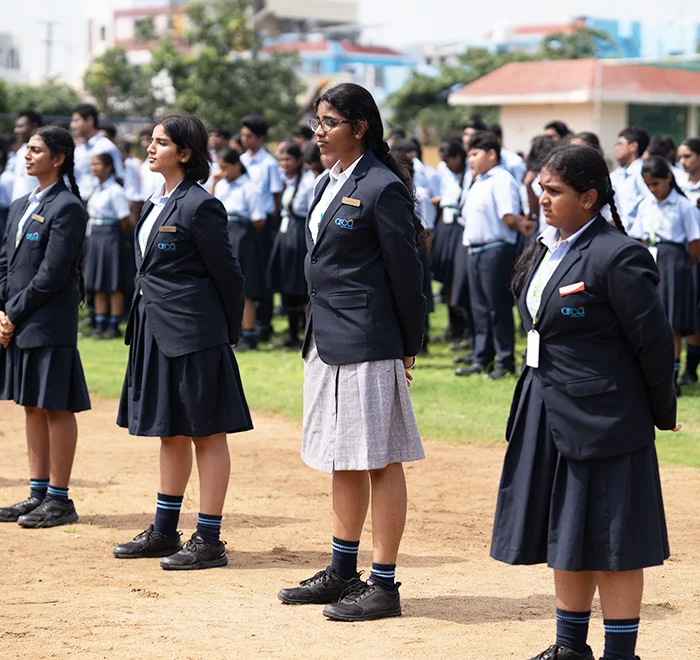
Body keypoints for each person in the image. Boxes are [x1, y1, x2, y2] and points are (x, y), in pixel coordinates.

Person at [491, 144, 678, 660]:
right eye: (540, 188)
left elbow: (654, 343)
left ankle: (620, 654)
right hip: (545, 409)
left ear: (589, 197)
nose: (542, 198)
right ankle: (570, 648)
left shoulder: (618, 254)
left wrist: (659, 413)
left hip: (605, 420)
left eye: (554, 191)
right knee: (566, 532)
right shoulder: (544, 246)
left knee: (614, 544)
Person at [277, 83, 426, 622]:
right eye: (316, 121)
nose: (318, 131)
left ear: (359, 128)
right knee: (342, 455)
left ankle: (383, 584)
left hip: (369, 339)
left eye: (329, 122)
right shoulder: (328, 181)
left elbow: (407, 275)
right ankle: (343, 572)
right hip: (326, 338)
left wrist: (408, 346)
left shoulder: (382, 187)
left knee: (380, 459)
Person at [114, 114, 252, 570]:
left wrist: (228, 333)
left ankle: (209, 539)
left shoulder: (200, 205)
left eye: (161, 142)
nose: (150, 148)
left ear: (185, 153)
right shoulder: (154, 202)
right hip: (154, 331)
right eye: (150, 141)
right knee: (168, 430)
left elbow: (229, 276)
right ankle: (164, 530)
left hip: (196, 334)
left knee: (207, 433)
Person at [0, 126, 90, 528]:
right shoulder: (21, 204)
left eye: (36, 150)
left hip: (49, 321)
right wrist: (3, 310)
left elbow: (52, 273)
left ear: (58, 158)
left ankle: (59, 498)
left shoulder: (68, 207)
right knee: (31, 404)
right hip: (20, 319)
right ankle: (38, 493)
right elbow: (6, 264)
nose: (27, 155)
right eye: (27, 148)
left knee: (55, 405)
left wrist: (13, 312)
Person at [455, 131, 535, 379]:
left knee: (497, 308)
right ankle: (482, 358)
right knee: (479, 308)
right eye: (468, 155)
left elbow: (508, 216)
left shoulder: (501, 179)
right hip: (475, 250)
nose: (470, 159)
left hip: (495, 249)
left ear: (491, 154)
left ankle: (505, 360)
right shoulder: (478, 181)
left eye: (475, 154)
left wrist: (521, 224)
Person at [630, 156, 700, 395]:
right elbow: (641, 237)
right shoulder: (646, 205)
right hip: (651, 258)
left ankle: (673, 376)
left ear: (668, 178)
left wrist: (683, 266)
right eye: (648, 185)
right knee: (649, 318)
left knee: (671, 322)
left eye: (656, 184)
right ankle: (651, 373)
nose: (653, 189)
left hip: (674, 263)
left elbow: (694, 242)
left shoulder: (682, 205)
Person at [210, 147, 266, 351]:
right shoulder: (220, 185)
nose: (223, 172)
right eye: (220, 168)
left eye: (226, 168)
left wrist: (242, 230)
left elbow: (259, 219)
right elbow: (209, 207)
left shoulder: (249, 188)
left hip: (242, 235)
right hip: (223, 234)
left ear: (237, 165)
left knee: (245, 285)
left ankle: (248, 333)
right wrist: (214, 182)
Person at [267, 142, 316, 349]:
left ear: (298, 160)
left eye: (288, 159)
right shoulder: (287, 181)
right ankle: (291, 333)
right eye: (282, 159)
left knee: (299, 284)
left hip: (299, 232)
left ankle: (307, 333)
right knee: (286, 282)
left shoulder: (308, 182)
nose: (284, 164)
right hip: (286, 232)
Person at [240, 115, 283, 342]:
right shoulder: (240, 160)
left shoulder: (268, 164)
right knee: (245, 272)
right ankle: (244, 322)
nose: (244, 139)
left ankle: (263, 323)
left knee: (263, 272)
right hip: (243, 224)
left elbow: (276, 195)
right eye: (243, 135)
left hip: (263, 222)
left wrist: (272, 223)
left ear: (260, 138)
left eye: (249, 136)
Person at [83, 153, 131, 339]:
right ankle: (99, 323)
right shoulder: (96, 189)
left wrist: (124, 237)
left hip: (110, 236)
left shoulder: (115, 191)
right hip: (95, 235)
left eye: (97, 164)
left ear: (108, 167)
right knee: (97, 281)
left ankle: (113, 324)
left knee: (113, 282)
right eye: (92, 164)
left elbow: (124, 218)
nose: (93, 168)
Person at [431, 140, 471, 345]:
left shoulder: (470, 174)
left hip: (460, 227)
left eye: (449, 160)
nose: (447, 165)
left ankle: (466, 327)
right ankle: (454, 326)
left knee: (459, 277)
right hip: (445, 225)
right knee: (446, 276)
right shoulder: (444, 171)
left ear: (458, 157)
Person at [677, 137, 700, 385]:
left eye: (688, 156)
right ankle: (690, 370)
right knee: (693, 311)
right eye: (680, 157)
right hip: (688, 255)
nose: (683, 162)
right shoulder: (678, 185)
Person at [71, 104, 124, 201]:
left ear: (89, 120)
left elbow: (119, 178)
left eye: (76, 120)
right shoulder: (79, 149)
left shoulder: (107, 147)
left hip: (99, 203)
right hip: (78, 201)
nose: (72, 125)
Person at [610, 126, 650, 231]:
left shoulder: (641, 172)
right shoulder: (617, 174)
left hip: (635, 235)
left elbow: (650, 202)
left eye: (620, 144)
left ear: (633, 146)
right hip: (617, 233)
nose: (616, 148)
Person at [11, 110, 42, 202]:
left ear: (34, 127)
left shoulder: (44, 151)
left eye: (20, 126)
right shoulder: (21, 151)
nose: (16, 130)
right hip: (17, 205)